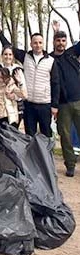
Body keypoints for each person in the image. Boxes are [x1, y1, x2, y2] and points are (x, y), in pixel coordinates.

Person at [0, 23, 55, 137]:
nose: (37, 45)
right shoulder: (25, 57)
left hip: (44, 104)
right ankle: (31, 155)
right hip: (29, 104)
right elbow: (9, 46)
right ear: (31, 44)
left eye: (40, 42)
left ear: (43, 44)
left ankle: (47, 155)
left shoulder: (50, 60)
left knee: (46, 134)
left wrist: (54, 105)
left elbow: (56, 83)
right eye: (35, 42)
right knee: (29, 135)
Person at [50, 21, 80, 176]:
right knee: (66, 136)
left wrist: (59, 29)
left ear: (66, 42)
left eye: (63, 40)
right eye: (58, 40)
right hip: (62, 104)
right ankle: (70, 165)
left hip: (78, 100)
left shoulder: (72, 53)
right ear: (53, 42)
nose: (60, 43)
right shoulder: (49, 59)